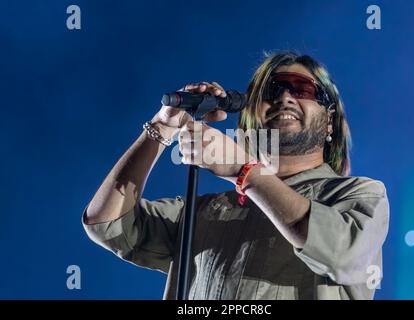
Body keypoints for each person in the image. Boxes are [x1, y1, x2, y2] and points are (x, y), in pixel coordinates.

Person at [82, 52, 389, 300]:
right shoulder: (205, 211)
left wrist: (243, 170)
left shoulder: (359, 195)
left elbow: (342, 251)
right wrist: (163, 126)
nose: (284, 97)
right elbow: (106, 223)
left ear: (330, 121)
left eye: (301, 88)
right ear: (249, 118)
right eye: (270, 91)